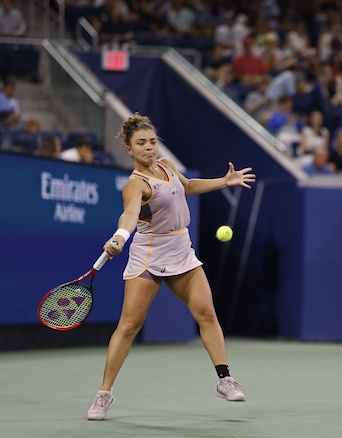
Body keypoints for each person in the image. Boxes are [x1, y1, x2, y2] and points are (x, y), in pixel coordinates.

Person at [86, 114, 256, 421]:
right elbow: (129, 215)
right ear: (129, 149)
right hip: (149, 257)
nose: (149, 147)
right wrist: (120, 236)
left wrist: (224, 181)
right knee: (128, 327)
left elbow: (187, 186)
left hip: (182, 252)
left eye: (152, 141)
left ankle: (224, 379)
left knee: (206, 313)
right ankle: (104, 393)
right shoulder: (135, 184)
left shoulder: (165, 165)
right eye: (141, 144)